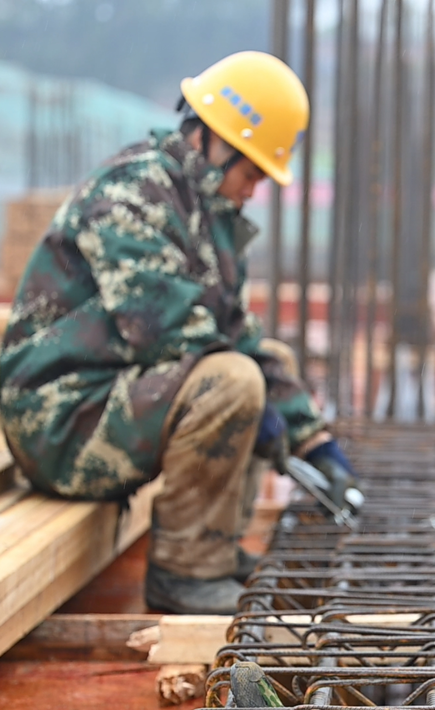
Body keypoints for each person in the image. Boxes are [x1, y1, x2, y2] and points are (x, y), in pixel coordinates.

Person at [0, 51, 358, 615]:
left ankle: (213, 547)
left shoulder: (202, 212)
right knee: (233, 382)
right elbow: (170, 333)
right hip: (60, 421)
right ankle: (186, 571)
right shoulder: (133, 193)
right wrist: (263, 415)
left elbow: (239, 333)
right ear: (216, 142)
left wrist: (314, 442)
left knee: (257, 364)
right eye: (252, 173)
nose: (252, 189)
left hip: (108, 401)